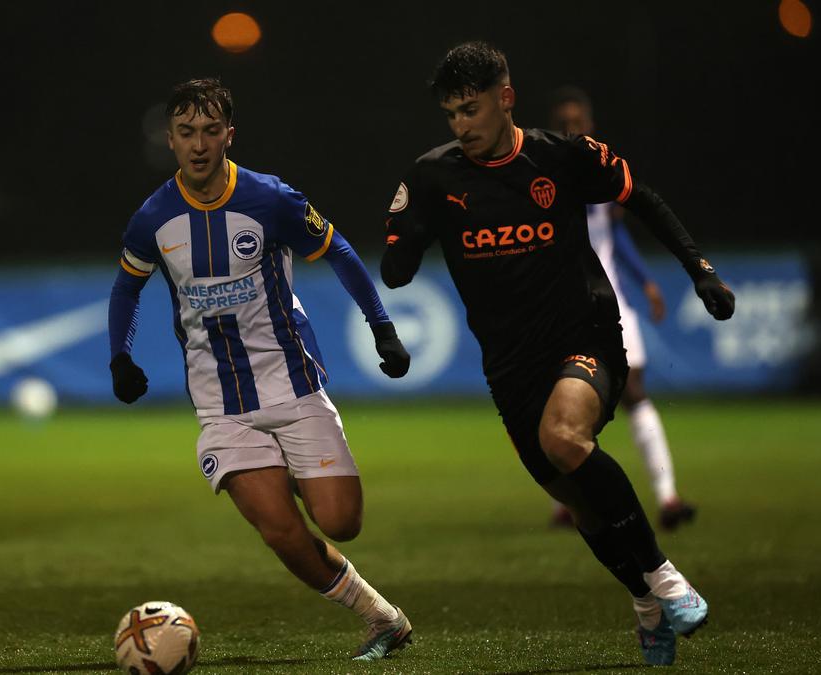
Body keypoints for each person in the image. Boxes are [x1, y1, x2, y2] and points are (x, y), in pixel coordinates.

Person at [380, 42, 734, 666]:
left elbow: (641, 196)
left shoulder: (561, 157)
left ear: (505, 98)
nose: (462, 125)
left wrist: (698, 269)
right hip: (510, 367)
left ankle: (666, 578)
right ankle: (645, 602)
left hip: (586, 336)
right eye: (451, 115)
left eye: (472, 109)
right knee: (579, 505)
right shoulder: (433, 177)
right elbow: (397, 268)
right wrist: (401, 252)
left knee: (564, 438)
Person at [108, 78, 413, 661]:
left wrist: (383, 328)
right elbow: (126, 288)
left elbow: (341, 252)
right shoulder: (152, 218)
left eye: (210, 131)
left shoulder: (270, 199)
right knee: (281, 530)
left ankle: (299, 470)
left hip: (292, 383)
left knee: (340, 521)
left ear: (229, 135)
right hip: (221, 404)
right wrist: (120, 357)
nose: (199, 144)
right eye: (186, 133)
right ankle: (382, 618)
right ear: (170, 140)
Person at [546, 86, 697, 531]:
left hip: (611, 304)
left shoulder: (604, 173)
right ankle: (570, 502)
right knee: (565, 407)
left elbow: (616, 238)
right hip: (561, 310)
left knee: (635, 393)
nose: (573, 129)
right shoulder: (543, 177)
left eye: (579, 121)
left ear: (589, 125)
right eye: (565, 123)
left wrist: (645, 281)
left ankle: (668, 498)